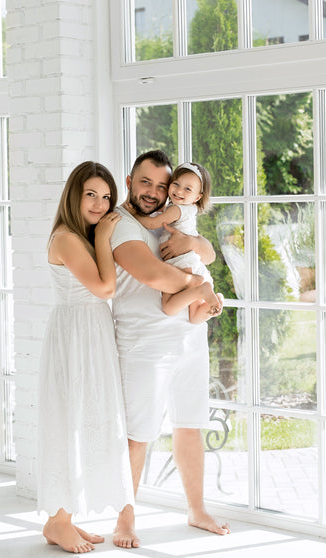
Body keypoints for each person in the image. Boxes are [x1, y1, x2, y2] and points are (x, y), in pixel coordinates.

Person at [110, 150, 231, 540]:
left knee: (190, 424)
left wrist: (194, 244)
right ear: (128, 181)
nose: (156, 191)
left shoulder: (175, 220)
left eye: (162, 185)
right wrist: (202, 287)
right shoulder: (122, 223)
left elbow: (211, 253)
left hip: (189, 336)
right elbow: (153, 274)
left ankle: (196, 509)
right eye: (146, 182)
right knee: (139, 433)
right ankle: (125, 517)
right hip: (145, 343)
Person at [37, 161, 137, 553]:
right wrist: (105, 236)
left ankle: (61, 521)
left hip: (89, 336)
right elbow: (106, 287)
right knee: (70, 421)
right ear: (74, 196)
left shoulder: (79, 236)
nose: (99, 204)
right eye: (91, 194)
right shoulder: (66, 238)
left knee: (85, 419)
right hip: (75, 338)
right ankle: (60, 522)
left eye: (106, 196)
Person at [129, 161, 223, 324]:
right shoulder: (189, 209)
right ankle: (218, 299)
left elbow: (152, 223)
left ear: (197, 197)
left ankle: (203, 290)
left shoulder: (176, 209)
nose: (179, 191)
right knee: (194, 317)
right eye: (176, 184)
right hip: (190, 261)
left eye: (187, 189)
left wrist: (131, 213)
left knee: (168, 307)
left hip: (180, 261)